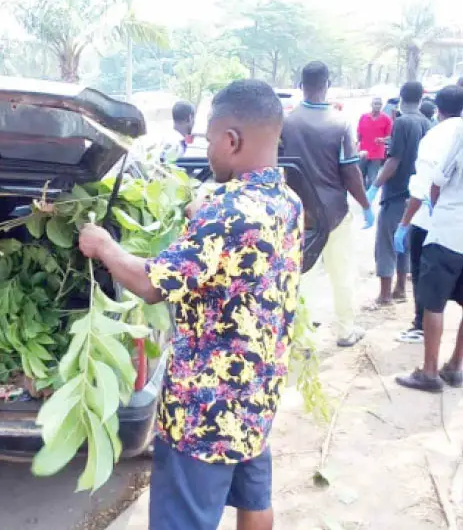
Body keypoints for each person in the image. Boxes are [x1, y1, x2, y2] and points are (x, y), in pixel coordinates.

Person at [79, 80, 302, 530]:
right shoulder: (287, 201)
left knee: (182, 520)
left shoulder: (226, 213)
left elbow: (150, 283)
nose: (206, 148)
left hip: (205, 408)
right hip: (256, 392)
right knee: (254, 498)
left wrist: (103, 245)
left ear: (232, 140)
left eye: (208, 139)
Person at [281, 61, 373, 348]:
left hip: (299, 211)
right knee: (341, 271)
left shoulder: (287, 122)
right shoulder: (340, 123)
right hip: (334, 210)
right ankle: (345, 330)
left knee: (303, 273)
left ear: (300, 85)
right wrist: (366, 204)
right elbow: (350, 171)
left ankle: (303, 338)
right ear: (327, 84)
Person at [396, 120, 463, 392]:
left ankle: (430, 372)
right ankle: (455, 367)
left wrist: (437, 210)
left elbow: (437, 182)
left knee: (432, 304)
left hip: (450, 231)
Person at [367, 82, 431, 305]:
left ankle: (384, 294)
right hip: (416, 194)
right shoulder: (426, 122)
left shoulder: (402, 122)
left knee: (385, 242)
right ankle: (401, 288)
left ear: (401, 98)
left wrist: (374, 186)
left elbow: (394, 160)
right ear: (420, 100)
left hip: (396, 192)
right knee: (403, 241)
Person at [357, 97, 393, 188]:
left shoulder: (386, 119)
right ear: (371, 104)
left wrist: (383, 140)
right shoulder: (364, 117)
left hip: (377, 153)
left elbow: (390, 136)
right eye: (375, 103)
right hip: (363, 152)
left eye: (379, 104)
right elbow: (359, 133)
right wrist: (357, 144)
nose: (377, 106)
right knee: (360, 175)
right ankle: (363, 195)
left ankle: (369, 197)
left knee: (372, 177)